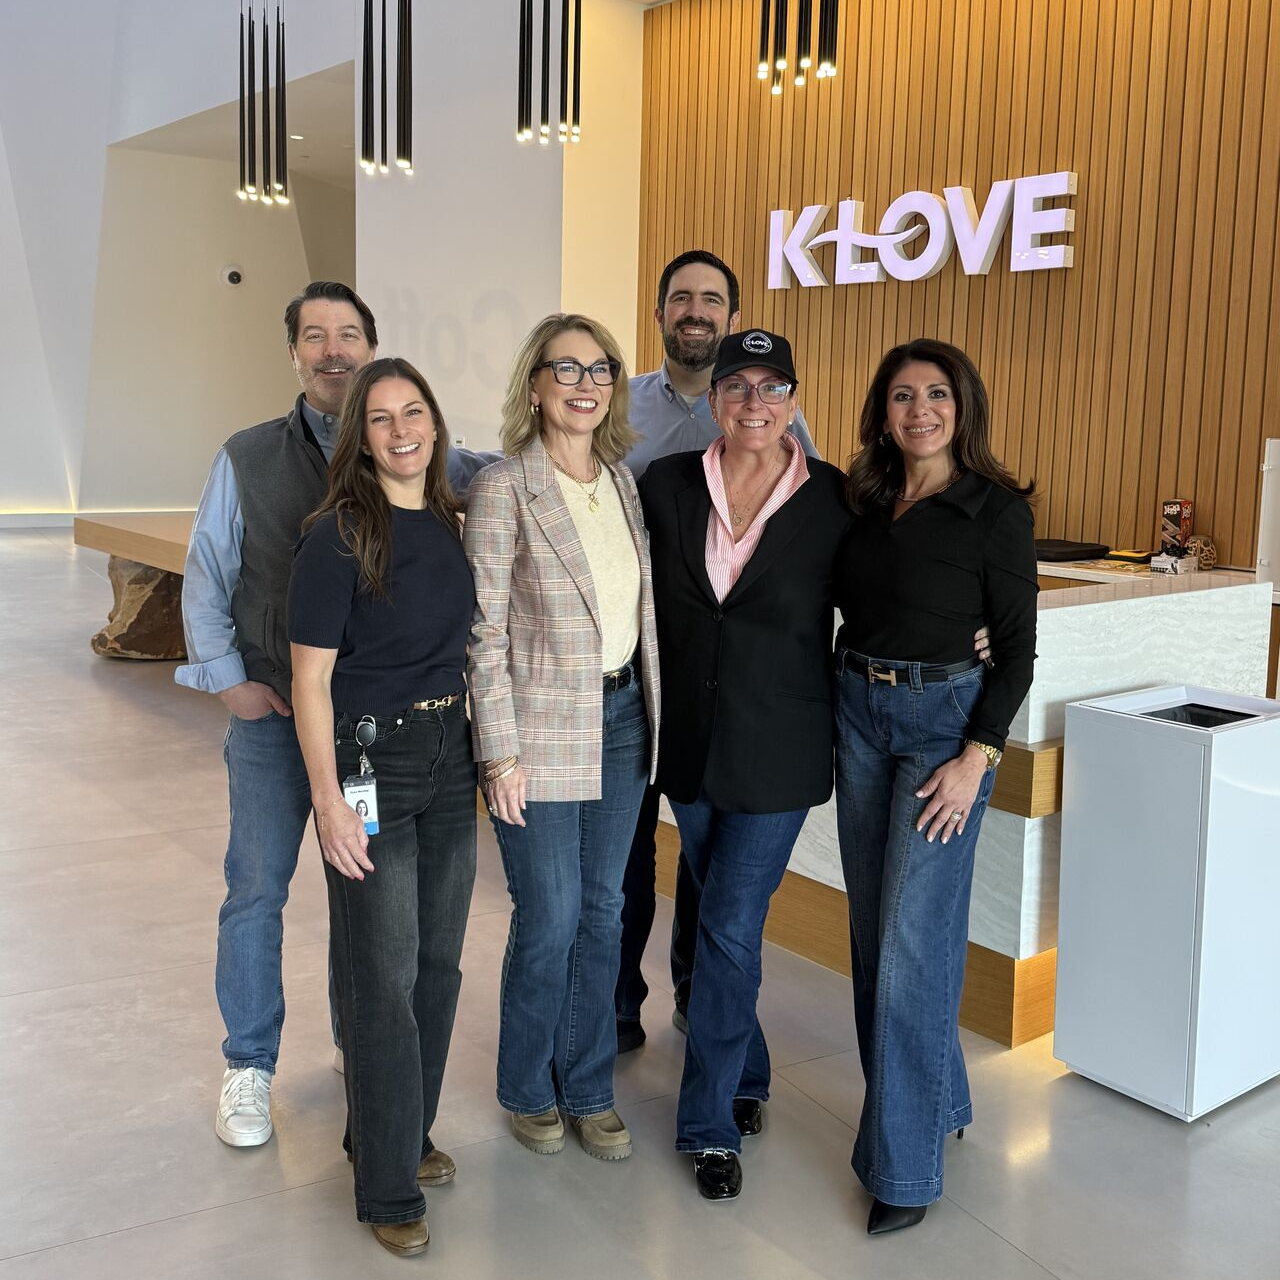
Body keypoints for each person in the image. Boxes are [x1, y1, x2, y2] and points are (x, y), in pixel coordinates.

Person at [177, 281, 498, 1148]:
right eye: (314, 336)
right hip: (275, 715)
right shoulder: (247, 455)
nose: (332, 350)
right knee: (257, 888)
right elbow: (207, 572)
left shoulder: (424, 453)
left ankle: (367, 1048)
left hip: (371, 740)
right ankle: (249, 1064)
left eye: (348, 333)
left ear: (371, 347)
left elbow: (507, 477)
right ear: (293, 354)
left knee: (364, 900)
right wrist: (229, 681)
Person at [638, 329, 851, 1201]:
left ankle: (709, 1126)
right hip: (687, 745)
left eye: (772, 387)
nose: (753, 403)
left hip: (780, 749)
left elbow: (881, 598)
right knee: (722, 924)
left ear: (794, 401)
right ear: (715, 397)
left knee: (727, 924)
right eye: (737, 386)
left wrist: (974, 631)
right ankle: (748, 1071)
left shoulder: (835, 498)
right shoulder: (666, 485)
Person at [834, 338, 1037, 1235]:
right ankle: (939, 1101)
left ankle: (904, 1170)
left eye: (938, 394)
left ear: (964, 408)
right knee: (875, 931)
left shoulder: (995, 509)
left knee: (912, 942)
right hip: (857, 712)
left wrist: (977, 755)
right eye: (903, 396)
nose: (920, 410)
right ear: (883, 413)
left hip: (944, 730)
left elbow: (1017, 650)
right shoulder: (861, 499)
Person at [288, 357, 476, 1257]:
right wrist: (328, 801)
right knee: (384, 976)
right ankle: (388, 1185)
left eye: (414, 413)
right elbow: (310, 681)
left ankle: (397, 1133)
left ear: (435, 424)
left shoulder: (451, 522)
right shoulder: (336, 536)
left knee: (438, 965)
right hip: (371, 763)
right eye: (380, 419)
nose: (401, 431)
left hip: (451, 758)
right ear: (359, 438)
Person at [464, 314, 660, 1162]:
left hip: (624, 719)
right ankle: (526, 1086)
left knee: (605, 912)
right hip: (539, 732)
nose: (585, 384)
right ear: (535, 384)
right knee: (549, 915)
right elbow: (482, 633)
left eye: (600, 368)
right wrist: (498, 752)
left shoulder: (621, 483)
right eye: (566, 368)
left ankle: (587, 1087)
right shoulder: (505, 487)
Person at [615, 250, 821, 1054]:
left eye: (711, 299)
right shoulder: (620, 406)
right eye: (680, 298)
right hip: (634, 675)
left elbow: (811, 538)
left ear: (732, 318)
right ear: (660, 313)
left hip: (733, 699)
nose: (694, 310)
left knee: (711, 874)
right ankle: (618, 1008)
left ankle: (701, 1001)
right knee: (626, 861)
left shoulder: (785, 429)